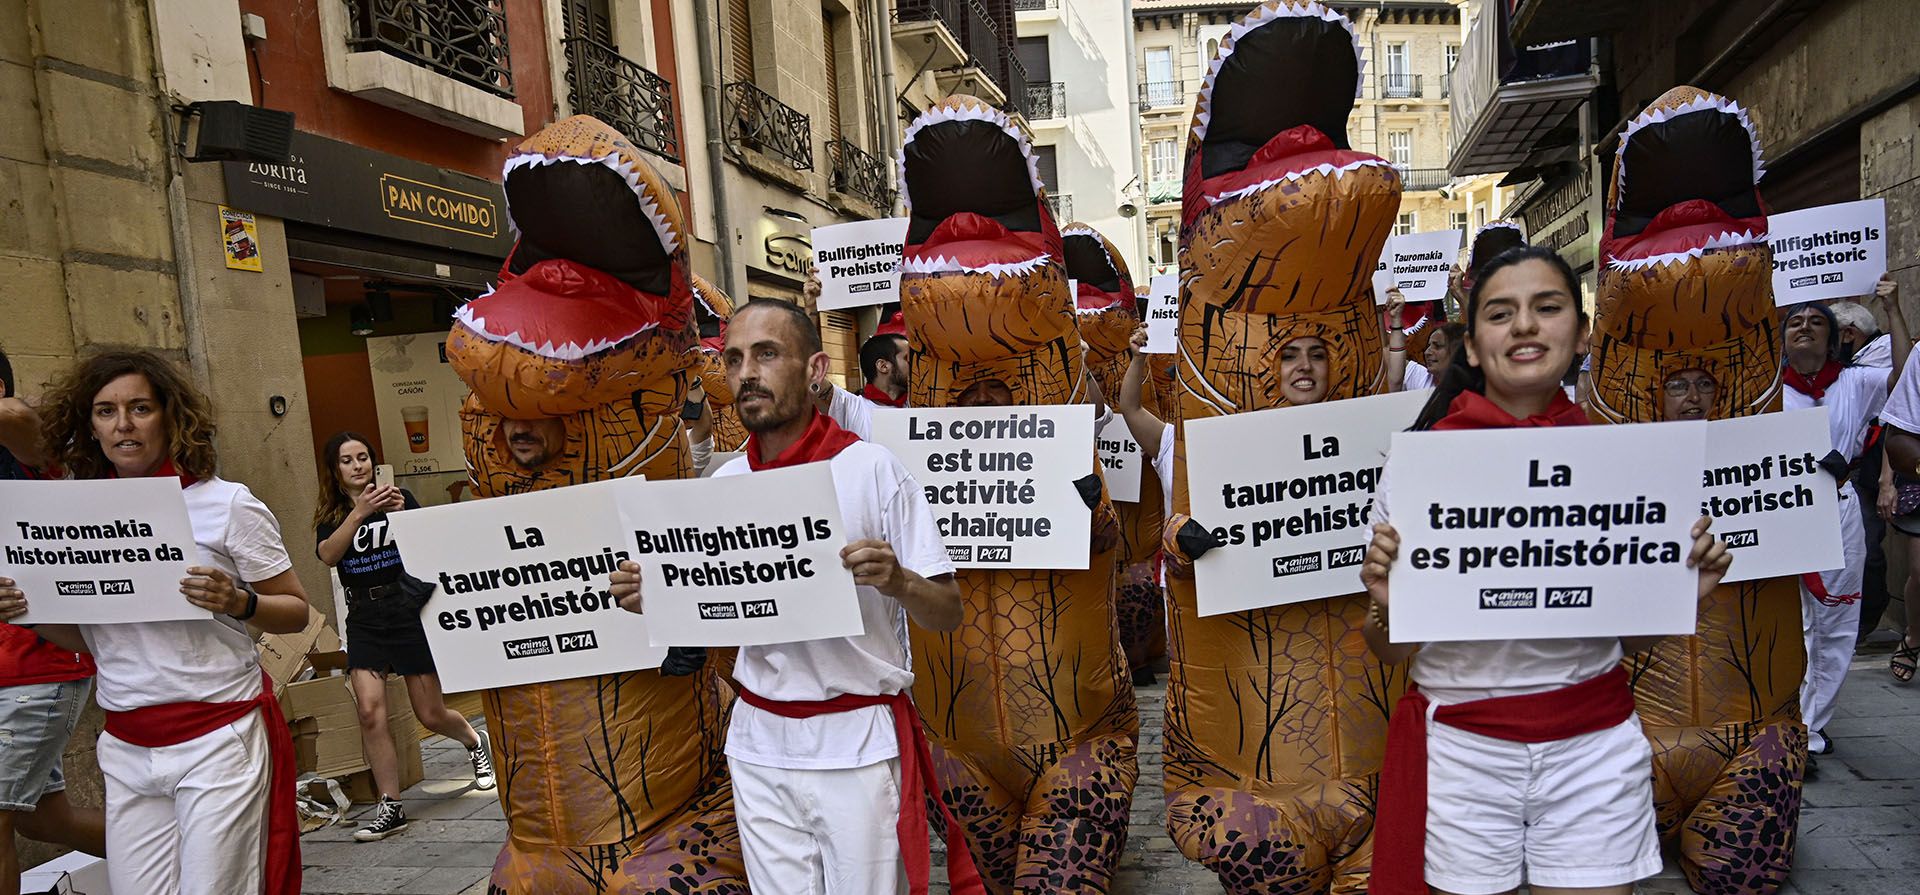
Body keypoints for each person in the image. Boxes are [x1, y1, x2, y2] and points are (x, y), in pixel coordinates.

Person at [1360, 246, 1732, 895]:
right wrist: (1389, 603)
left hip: (1595, 748)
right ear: (1472, 347)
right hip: (1464, 754)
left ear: (1581, 332)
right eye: (1502, 313)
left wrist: (1681, 596)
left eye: (1547, 307)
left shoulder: (1626, 468)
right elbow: (1391, 652)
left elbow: (1627, 644)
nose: (1526, 326)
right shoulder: (1422, 470)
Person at [611, 299, 976, 895]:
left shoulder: (873, 470)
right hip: (758, 741)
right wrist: (658, 594)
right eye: (733, 359)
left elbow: (949, 610)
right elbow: (721, 613)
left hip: (856, 744)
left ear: (814, 370)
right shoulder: (722, 486)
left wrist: (898, 580)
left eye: (766, 354)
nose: (746, 373)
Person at [13, 349, 311, 894]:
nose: (123, 425)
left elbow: (297, 611)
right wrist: (29, 614)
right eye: (106, 411)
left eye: (139, 408)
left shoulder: (227, 504)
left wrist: (238, 602)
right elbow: (91, 640)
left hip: (218, 736)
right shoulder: (73, 514)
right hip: (126, 742)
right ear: (89, 425)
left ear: (171, 417)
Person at [313, 431, 495, 842]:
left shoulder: (400, 497)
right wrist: (357, 513)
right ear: (335, 470)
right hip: (363, 617)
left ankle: (472, 740)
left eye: (363, 457)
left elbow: (429, 548)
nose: (357, 465)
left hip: (404, 610)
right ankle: (390, 805)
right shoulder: (333, 511)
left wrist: (406, 515)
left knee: (429, 713)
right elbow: (328, 555)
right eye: (347, 460)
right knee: (369, 712)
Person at [1780, 275, 1908, 756]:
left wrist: (1893, 309)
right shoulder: (1765, 387)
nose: (1806, 327)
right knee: (1784, 619)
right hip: (1778, 514)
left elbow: (1905, 374)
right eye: (1796, 321)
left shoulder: (1856, 381)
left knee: (1834, 620)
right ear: (1784, 336)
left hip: (1837, 507)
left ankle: (1810, 729)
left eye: (1818, 321)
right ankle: (1779, 716)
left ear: (1835, 337)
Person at [0, 346, 105, 895]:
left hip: (33, 668)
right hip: (12, 670)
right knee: (45, 821)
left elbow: (21, 418)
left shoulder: (25, 447)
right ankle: (187, 848)